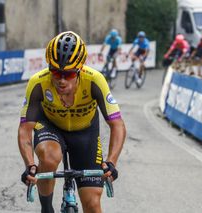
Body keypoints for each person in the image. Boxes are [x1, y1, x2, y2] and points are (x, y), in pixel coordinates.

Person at [18, 31, 126, 213]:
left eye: (68, 74)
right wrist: (29, 164)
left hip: (85, 133)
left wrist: (112, 162)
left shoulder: (94, 80)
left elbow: (117, 125)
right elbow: (24, 129)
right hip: (50, 126)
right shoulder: (38, 83)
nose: (60, 80)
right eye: (55, 71)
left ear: (80, 69)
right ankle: (46, 208)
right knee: (49, 157)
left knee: (92, 204)